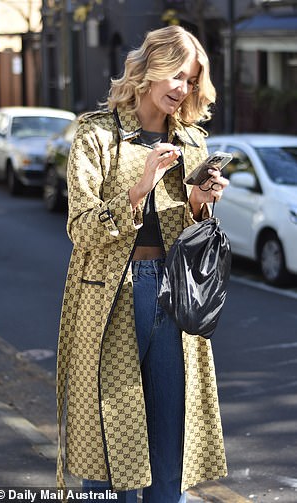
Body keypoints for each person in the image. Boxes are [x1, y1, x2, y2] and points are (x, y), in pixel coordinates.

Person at [56, 25, 229, 503]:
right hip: (109, 298)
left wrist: (200, 202)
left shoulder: (192, 141)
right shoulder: (97, 134)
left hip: (174, 298)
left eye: (191, 80)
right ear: (150, 69)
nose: (182, 88)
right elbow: (82, 229)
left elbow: (192, 235)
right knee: (110, 441)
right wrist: (140, 186)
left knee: (169, 436)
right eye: (176, 75)